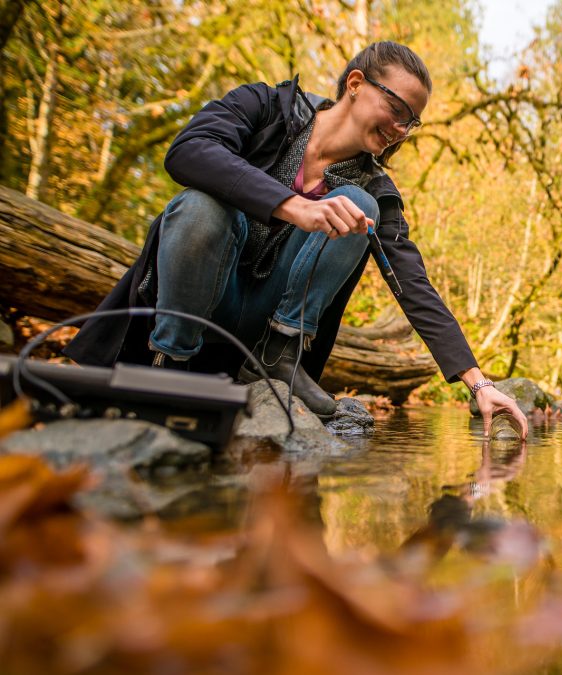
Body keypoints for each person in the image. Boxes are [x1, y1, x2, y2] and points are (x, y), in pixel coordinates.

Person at [65, 41, 528, 436]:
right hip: (197, 307)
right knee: (200, 206)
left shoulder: (376, 190)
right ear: (355, 84)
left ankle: (277, 360)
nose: (401, 130)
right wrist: (296, 207)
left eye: (412, 121)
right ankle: (171, 367)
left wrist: (479, 383)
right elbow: (188, 151)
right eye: (397, 110)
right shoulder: (267, 106)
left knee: (358, 207)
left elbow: (412, 282)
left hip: (261, 327)